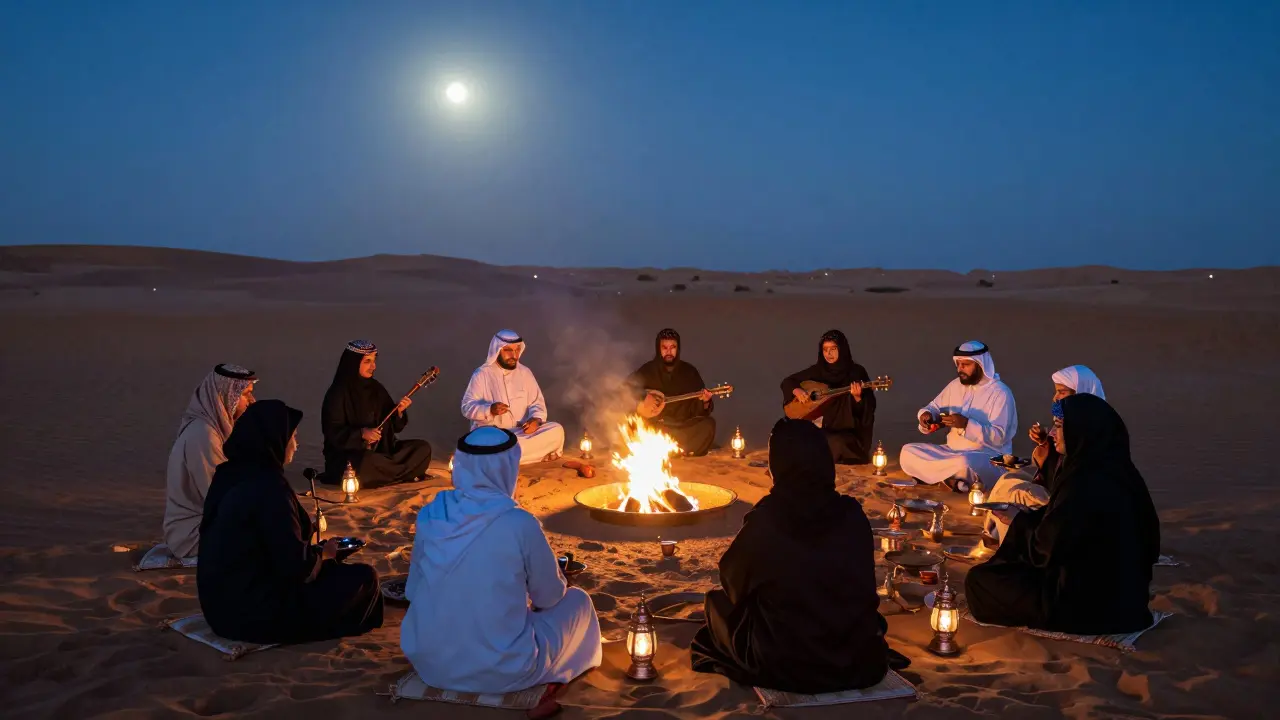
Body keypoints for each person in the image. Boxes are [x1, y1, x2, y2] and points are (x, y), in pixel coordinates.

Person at [691, 419, 891, 694]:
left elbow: (732, 581)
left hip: (787, 662)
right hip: (855, 658)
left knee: (717, 604)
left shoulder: (769, 518)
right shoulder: (851, 513)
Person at [401, 427, 602, 692]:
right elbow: (549, 598)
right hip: (501, 669)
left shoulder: (430, 514)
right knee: (579, 601)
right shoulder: (519, 522)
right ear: (508, 468)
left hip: (432, 665)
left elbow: (413, 590)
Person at [965, 393, 1160, 634]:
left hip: (1086, 603)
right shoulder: (1119, 471)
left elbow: (1047, 548)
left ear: (1080, 431)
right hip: (1130, 602)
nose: (1052, 433)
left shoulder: (1085, 481)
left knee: (979, 582)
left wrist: (1017, 522)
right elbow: (1066, 523)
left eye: (1058, 426)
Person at [198, 400, 384, 644]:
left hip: (217, 608)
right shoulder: (269, 487)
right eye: (293, 437)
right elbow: (295, 568)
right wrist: (325, 556)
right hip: (251, 614)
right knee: (364, 577)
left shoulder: (227, 474)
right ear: (275, 439)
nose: (296, 444)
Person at [986, 365, 1107, 543]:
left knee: (1017, 493)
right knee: (1008, 478)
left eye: (1062, 392)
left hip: (1068, 498)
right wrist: (1045, 442)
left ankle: (1010, 542)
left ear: (1080, 393)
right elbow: (1053, 463)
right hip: (1055, 484)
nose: (1055, 397)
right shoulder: (1067, 418)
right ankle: (993, 532)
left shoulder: (1091, 428)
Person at [163, 364, 258, 560]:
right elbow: (220, 494)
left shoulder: (215, 429)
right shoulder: (204, 435)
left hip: (212, 522)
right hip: (192, 535)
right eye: (245, 394)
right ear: (226, 396)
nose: (252, 401)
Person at [900, 341, 1016, 492]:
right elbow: (933, 407)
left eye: (965, 365)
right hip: (951, 452)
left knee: (965, 462)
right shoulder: (955, 385)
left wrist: (966, 424)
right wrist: (926, 416)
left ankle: (939, 477)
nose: (960, 369)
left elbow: (999, 437)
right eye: (958, 364)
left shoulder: (1000, 393)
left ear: (980, 365)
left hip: (987, 456)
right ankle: (952, 480)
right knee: (908, 451)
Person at [321, 340, 432, 488]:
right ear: (353, 363)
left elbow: (395, 427)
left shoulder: (376, 388)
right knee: (365, 463)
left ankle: (386, 475)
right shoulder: (337, 393)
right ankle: (400, 474)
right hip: (351, 456)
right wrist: (361, 434)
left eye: (374, 361)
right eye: (367, 361)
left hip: (383, 453)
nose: (373, 366)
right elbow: (332, 432)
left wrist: (399, 412)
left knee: (422, 448)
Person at [461, 330, 565, 464]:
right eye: (508, 350)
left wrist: (536, 420)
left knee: (556, 430)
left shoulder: (525, 373)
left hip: (520, 433)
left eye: (517, 350)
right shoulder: (482, 374)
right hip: (493, 434)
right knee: (490, 444)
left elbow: (537, 403)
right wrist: (490, 409)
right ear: (497, 350)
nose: (514, 355)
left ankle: (500, 458)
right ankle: (533, 455)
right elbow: (466, 407)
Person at [779, 329, 877, 464]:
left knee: (835, 442)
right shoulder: (818, 370)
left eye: (833, 349)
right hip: (820, 426)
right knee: (792, 435)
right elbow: (787, 382)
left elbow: (868, 410)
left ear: (842, 349)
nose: (829, 354)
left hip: (847, 432)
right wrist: (797, 391)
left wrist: (857, 398)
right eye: (825, 349)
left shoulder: (856, 372)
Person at [627, 328, 716, 456]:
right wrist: (644, 396)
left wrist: (705, 402)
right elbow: (626, 388)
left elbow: (698, 411)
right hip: (656, 425)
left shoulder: (690, 372)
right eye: (664, 348)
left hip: (682, 426)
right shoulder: (647, 370)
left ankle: (668, 450)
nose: (669, 352)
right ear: (658, 349)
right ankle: (673, 450)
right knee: (634, 424)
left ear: (678, 349)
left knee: (708, 425)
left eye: (672, 347)